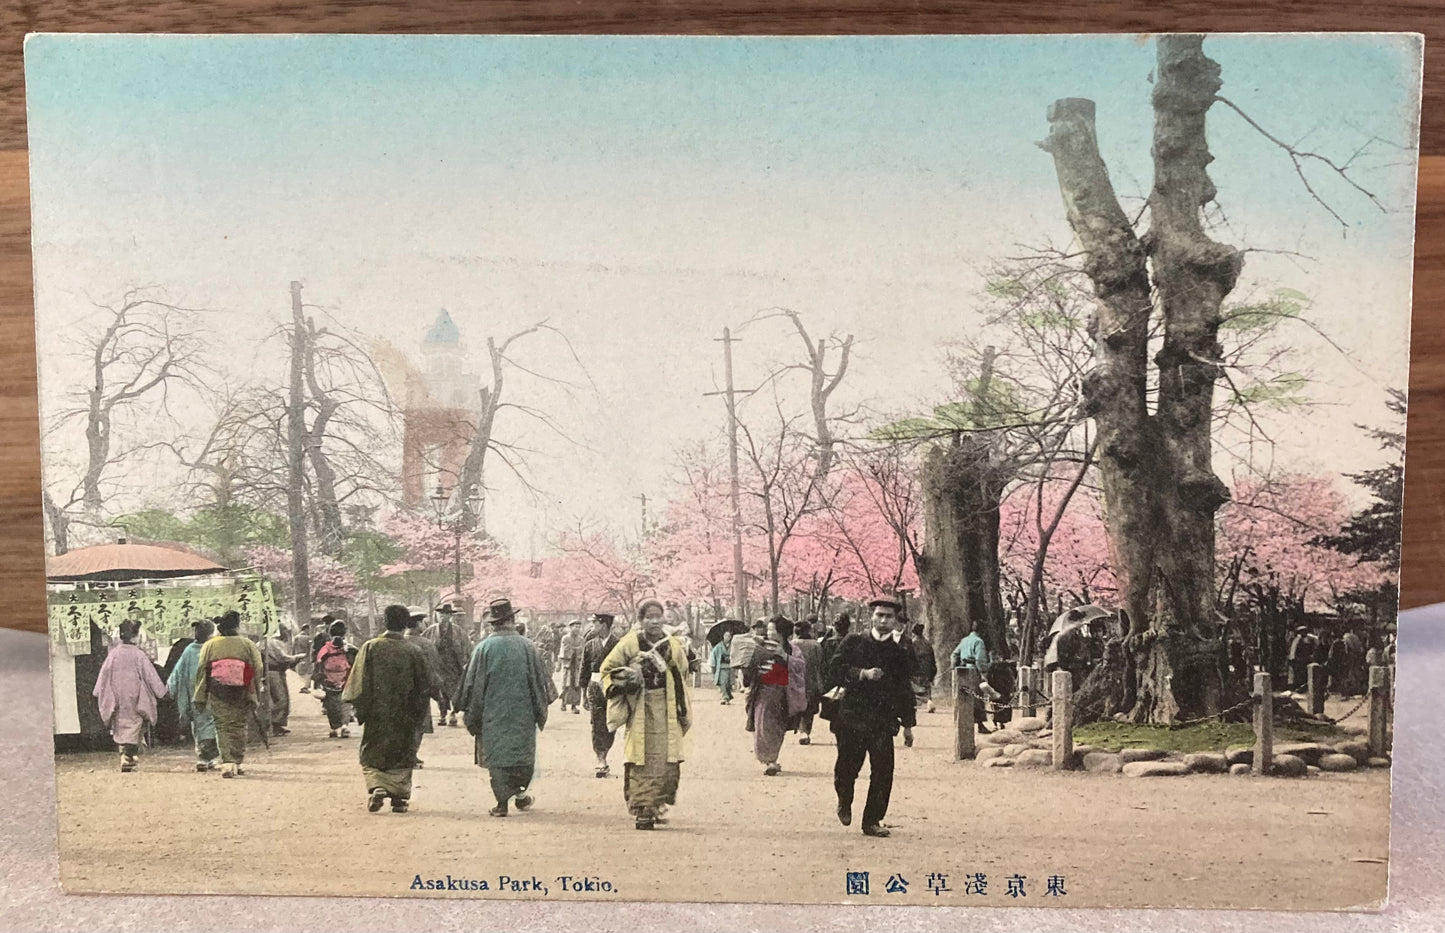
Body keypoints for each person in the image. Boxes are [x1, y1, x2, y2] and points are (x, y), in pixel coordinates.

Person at [457, 599, 557, 817]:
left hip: (492, 714)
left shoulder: (483, 648)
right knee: (522, 755)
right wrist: (539, 708)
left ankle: (501, 803)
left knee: (498, 757)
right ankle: (520, 793)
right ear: (512, 620)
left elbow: (472, 685)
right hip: (523, 713)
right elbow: (542, 683)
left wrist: (472, 713)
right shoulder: (528, 646)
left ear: (493, 623)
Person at [599, 599, 692, 830]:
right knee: (641, 759)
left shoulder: (671, 644)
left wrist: (666, 668)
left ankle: (656, 805)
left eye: (658, 616)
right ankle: (643, 810)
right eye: (649, 617)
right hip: (641, 708)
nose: (654, 621)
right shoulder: (630, 643)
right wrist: (631, 673)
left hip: (666, 707)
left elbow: (684, 670)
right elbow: (607, 670)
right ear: (640, 621)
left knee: (665, 760)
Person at [828, 597, 916, 838]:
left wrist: (908, 724)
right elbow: (834, 670)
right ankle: (844, 800)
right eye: (879, 615)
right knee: (846, 768)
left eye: (889, 617)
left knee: (883, 771)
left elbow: (904, 689)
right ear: (871, 617)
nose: (883, 621)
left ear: (896, 621)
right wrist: (861, 673)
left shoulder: (899, 652)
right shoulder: (854, 642)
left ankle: (872, 820)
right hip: (851, 717)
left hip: (882, 720)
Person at [342, 605, 433, 813]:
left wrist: (360, 709)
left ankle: (377, 786)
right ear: (405, 623)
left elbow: (357, 681)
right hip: (405, 714)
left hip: (377, 712)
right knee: (402, 753)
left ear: (385, 622)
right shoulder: (414, 650)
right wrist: (419, 713)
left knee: (373, 752)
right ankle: (399, 799)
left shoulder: (371, 647)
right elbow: (424, 686)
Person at [192, 610, 264, 779]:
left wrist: (201, 691)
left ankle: (227, 762)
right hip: (242, 688)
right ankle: (237, 761)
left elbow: (202, 668)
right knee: (239, 725)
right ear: (237, 626)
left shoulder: (210, 645)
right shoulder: (247, 644)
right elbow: (257, 667)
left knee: (222, 726)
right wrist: (253, 686)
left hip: (218, 690)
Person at [93, 619, 167, 773]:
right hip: (136, 695)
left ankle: (126, 755)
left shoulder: (113, 655)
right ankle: (128, 755)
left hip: (117, 695)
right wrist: (161, 691)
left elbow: (103, 676)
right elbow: (150, 675)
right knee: (135, 723)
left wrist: (99, 691)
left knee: (121, 723)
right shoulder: (139, 655)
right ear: (135, 636)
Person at [747, 617, 808, 775]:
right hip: (764, 691)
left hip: (784, 693)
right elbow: (747, 665)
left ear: (781, 633)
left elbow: (801, 666)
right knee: (763, 725)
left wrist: (784, 655)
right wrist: (758, 669)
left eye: (772, 629)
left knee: (778, 727)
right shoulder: (760, 645)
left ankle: (772, 758)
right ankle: (770, 761)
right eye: (768, 629)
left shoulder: (792, 648)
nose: (768, 632)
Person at [167, 619, 220, 771]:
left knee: (199, 725)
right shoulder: (213, 648)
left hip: (194, 694)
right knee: (211, 723)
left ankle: (203, 757)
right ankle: (210, 757)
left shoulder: (189, 650)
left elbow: (177, 673)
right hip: (212, 692)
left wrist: (170, 688)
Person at [582, 612, 625, 777]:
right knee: (596, 723)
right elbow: (583, 672)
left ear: (604, 624)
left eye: (595, 623)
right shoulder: (590, 645)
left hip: (613, 688)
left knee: (610, 724)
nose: (593, 627)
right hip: (594, 688)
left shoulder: (618, 644)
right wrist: (583, 695)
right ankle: (601, 759)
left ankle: (605, 753)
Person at [404, 607, 445, 768]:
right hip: (420, 691)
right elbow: (433, 670)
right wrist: (438, 692)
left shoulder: (399, 641)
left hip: (400, 691)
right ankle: (411, 756)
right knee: (418, 725)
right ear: (418, 623)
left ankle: (405, 755)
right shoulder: (426, 644)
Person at [425, 603, 471, 726]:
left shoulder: (458, 631)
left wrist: (466, 662)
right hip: (438, 666)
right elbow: (423, 644)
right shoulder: (431, 631)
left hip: (453, 667)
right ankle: (442, 714)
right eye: (441, 614)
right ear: (437, 615)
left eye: (446, 614)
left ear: (450, 616)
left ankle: (453, 714)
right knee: (441, 691)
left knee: (454, 691)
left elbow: (467, 647)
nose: (443, 617)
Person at [261, 625, 305, 736]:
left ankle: (276, 724)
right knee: (281, 699)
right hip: (273, 672)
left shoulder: (270, 642)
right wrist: (297, 657)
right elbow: (282, 658)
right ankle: (271, 722)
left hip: (276, 671)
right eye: (285, 630)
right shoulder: (273, 642)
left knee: (281, 698)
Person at [316, 621, 355, 738]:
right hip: (345, 678)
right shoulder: (348, 647)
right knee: (345, 703)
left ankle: (334, 728)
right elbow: (355, 661)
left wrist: (319, 679)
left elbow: (318, 663)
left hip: (329, 680)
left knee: (331, 705)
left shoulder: (325, 648)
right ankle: (344, 726)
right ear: (344, 633)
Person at [951, 625, 992, 734]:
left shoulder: (964, 640)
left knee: (964, 697)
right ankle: (980, 724)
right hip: (974, 671)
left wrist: (954, 667)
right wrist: (984, 672)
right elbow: (980, 659)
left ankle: (964, 722)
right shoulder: (979, 642)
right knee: (977, 698)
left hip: (963, 671)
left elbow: (954, 654)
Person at [793, 619, 824, 742]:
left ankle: (801, 730)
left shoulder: (792, 643)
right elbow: (821, 663)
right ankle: (805, 731)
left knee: (798, 705)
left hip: (795, 679)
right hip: (812, 680)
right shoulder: (816, 645)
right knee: (809, 709)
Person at [908, 622, 938, 715]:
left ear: (914, 633)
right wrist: (932, 673)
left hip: (915, 671)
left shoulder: (912, 644)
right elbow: (933, 660)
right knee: (927, 690)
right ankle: (929, 703)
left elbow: (909, 658)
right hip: (926, 671)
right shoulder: (927, 644)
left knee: (913, 689)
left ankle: (913, 706)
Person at [557, 619, 586, 713]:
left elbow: (582, 650)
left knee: (576, 685)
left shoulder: (581, 639)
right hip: (568, 664)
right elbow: (565, 649)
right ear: (570, 627)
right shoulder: (565, 638)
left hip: (577, 665)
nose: (577, 629)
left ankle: (574, 706)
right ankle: (563, 703)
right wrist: (575, 649)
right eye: (575, 627)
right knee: (566, 684)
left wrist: (575, 650)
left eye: (579, 627)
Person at [819, 612, 852, 687]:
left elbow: (825, 663)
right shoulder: (854, 639)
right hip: (849, 678)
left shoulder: (829, 642)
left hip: (832, 678)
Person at [711, 629, 735, 705]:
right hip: (721, 667)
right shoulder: (718, 646)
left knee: (729, 684)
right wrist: (713, 666)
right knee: (723, 683)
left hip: (730, 667)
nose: (727, 637)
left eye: (729, 636)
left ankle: (727, 697)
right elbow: (714, 655)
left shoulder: (733, 646)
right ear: (723, 636)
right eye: (726, 635)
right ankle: (724, 697)